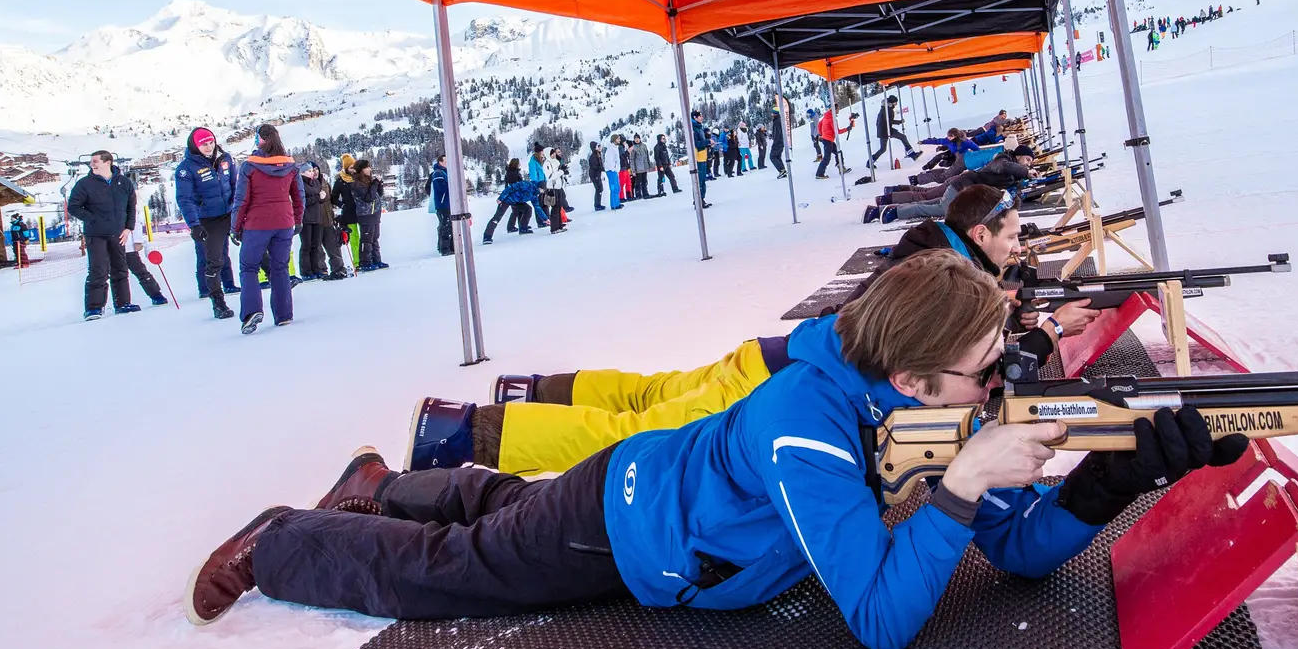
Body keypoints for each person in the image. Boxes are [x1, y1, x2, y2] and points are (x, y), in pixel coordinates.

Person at [185, 251, 1244, 649]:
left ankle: (389, 485)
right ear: (915, 381)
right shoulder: (809, 425)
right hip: (627, 531)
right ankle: (283, 542)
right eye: (983, 372)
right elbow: (879, 618)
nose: (999, 387)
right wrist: (965, 484)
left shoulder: (916, 397)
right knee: (457, 575)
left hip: (652, 491)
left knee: (505, 509)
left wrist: (1110, 481)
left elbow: (1007, 547)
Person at [414, 185, 1097, 478]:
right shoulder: (941, 267)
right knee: (633, 437)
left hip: (770, 363)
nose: (1016, 245)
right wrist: (1034, 338)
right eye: (1011, 235)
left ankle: (529, 390)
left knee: (650, 398)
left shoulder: (942, 258)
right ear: (979, 234)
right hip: (778, 383)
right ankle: (462, 434)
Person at [232, 124, 305, 334]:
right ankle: (284, 315)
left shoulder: (250, 166)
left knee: (249, 267)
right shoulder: (290, 165)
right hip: (284, 223)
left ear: (260, 140)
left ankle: (251, 312)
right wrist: (297, 220)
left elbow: (241, 200)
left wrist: (235, 227)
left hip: (257, 224)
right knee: (280, 267)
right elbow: (299, 197)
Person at [869, 147, 1035, 225]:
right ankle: (893, 210)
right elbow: (1003, 167)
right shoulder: (1003, 160)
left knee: (928, 202)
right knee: (939, 208)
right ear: (1019, 156)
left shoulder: (1014, 173)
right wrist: (1026, 173)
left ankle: (883, 209)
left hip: (965, 188)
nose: (1028, 164)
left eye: (1030, 163)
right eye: (1027, 160)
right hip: (962, 185)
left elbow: (1015, 191)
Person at [69, 150, 139, 321]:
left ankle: (123, 303)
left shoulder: (124, 183)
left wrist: (128, 228)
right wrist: (92, 219)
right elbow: (73, 206)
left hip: (119, 233)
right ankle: (94, 308)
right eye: (91, 161)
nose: (92, 164)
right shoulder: (84, 184)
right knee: (98, 269)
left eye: (95, 161)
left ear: (108, 162)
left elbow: (131, 206)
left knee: (120, 268)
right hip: (95, 234)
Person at [176, 127, 238, 318]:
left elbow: (236, 186)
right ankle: (217, 302)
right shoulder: (187, 168)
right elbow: (184, 199)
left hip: (229, 213)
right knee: (213, 260)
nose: (209, 147)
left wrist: (240, 210)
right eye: (204, 144)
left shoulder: (225, 158)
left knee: (256, 246)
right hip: (208, 219)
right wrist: (194, 224)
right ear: (195, 145)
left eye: (211, 142)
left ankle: (277, 283)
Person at [119, 182, 169, 307]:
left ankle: (156, 294)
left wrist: (137, 240)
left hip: (128, 246)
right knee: (116, 274)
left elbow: (135, 223)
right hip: (112, 245)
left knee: (140, 271)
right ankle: (120, 302)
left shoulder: (128, 205)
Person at [299, 162, 345, 280]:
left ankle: (339, 268)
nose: (314, 172)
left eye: (315, 169)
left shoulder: (323, 182)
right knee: (316, 248)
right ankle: (320, 269)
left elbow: (331, 198)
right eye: (311, 170)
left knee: (333, 247)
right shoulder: (304, 184)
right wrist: (318, 197)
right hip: (313, 219)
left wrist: (339, 207)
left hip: (327, 218)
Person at [482, 159, 537, 243]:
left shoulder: (511, 172)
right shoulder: (513, 173)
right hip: (509, 198)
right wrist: (502, 198)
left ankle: (522, 227)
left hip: (513, 198)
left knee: (523, 210)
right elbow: (511, 187)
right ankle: (487, 236)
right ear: (516, 164)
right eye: (519, 164)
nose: (520, 165)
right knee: (498, 216)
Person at [349, 157, 387, 271]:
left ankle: (376, 260)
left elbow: (378, 194)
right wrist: (375, 183)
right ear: (361, 169)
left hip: (374, 213)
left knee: (375, 237)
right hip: (365, 215)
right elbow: (368, 197)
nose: (369, 169)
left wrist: (379, 184)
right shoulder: (356, 184)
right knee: (367, 238)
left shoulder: (368, 181)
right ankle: (365, 262)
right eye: (367, 167)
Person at [867, 94, 918, 168]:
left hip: (884, 130)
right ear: (892, 102)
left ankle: (870, 161)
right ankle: (912, 154)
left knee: (883, 149)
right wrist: (900, 122)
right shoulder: (887, 109)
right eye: (895, 102)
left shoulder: (885, 108)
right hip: (885, 131)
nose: (896, 104)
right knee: (902, 138)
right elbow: (889, 121)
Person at [333, 155, 362, 268]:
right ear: (345, 169)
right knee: (354, 237)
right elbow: (333, 198)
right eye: (350, 167)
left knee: (366, 236)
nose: (353, 169)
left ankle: (366, 258)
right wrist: (342, 205)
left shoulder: (359, 178)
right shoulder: (340, 181)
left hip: (362, 211)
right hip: (349, 213)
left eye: (354, 167)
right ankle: (357, 261)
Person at [430, 156, 453, 256]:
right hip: (443, 204)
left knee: (449, 225)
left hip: (448, 203)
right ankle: (445, 249)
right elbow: (443, 189)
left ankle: (449, 247)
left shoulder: (445, 172)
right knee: (446, 226)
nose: (448, 163)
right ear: (440, 162)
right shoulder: (438, 173)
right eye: (446, 161)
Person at [546, 151, 571, 233]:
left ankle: (559, 225)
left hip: (558, 186)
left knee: (559, 207)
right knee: (555, 207)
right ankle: (554, 228)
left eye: (554, 153)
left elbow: (558, 173)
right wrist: (561, 171)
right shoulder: (547, 164)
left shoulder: (556, 162)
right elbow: (551, 176)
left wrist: (563, 169)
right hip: (552, 188)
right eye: (551, 154)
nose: (554, 155)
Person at [526, 145, 551, 227]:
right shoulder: (533, 162)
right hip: (538, 183)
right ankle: (541, 221)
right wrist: (536, 186)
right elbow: (533, 176)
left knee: (546, 202)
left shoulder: (541, 161)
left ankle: (547, 219)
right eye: (542, 152)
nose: (543, 154)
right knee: (539, 203)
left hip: (544, 182)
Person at [629, 134, 653, 199]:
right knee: (638, 183)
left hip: (644, 167)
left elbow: (647, 156)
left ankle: (645, 193)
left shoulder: (644, 146)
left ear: (640, 139)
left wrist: (649, 166)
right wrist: (633, 170)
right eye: (635, 138)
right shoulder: (633, 148)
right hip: (638, 169)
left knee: (644, 182)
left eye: (638, 138)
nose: (636, 140)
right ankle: (638, 195)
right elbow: (632, 160)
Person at [605, 134, 624, 210]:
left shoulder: (615, 148)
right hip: (611, 170)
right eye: (618, 139)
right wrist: (613, 169)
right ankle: (614, 204)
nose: (619, 140)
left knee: (617, 187)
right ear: (614, 140)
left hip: (615, 170)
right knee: (614, 187)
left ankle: (617, 202)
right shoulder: (610, 149)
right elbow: (609, 160)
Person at [768, 107, 787, 178]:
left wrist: (774, 142)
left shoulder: (776, 121)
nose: (771, 114)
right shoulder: (779, 120)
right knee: (778, 156)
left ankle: (782, 170)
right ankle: (782, 170)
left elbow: (777, 133)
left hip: (778, 142)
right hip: (781, 141)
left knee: (772, 156)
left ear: (775, 114)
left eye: (772, 113)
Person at [587, 142, 606, 211]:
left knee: (599, 188)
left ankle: (598, 204)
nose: (600, 148)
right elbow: (596, 166)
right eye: (598, 146)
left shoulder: (598, 154)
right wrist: (603, 169)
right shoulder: (593, 156)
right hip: (594, 174)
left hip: (597, 174)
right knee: (599, 188)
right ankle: (597, 205)